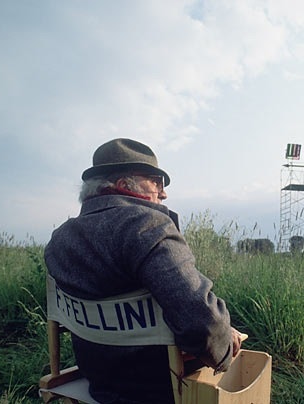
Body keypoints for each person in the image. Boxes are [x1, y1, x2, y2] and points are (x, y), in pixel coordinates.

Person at [44, 138, 242, 404]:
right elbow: (201, 326)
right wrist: (226, 346)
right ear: (124, 185)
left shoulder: (59, 239)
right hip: (159, 387)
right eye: (156, 181)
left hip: (96, 379)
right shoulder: (148, 226)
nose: (163, 193)